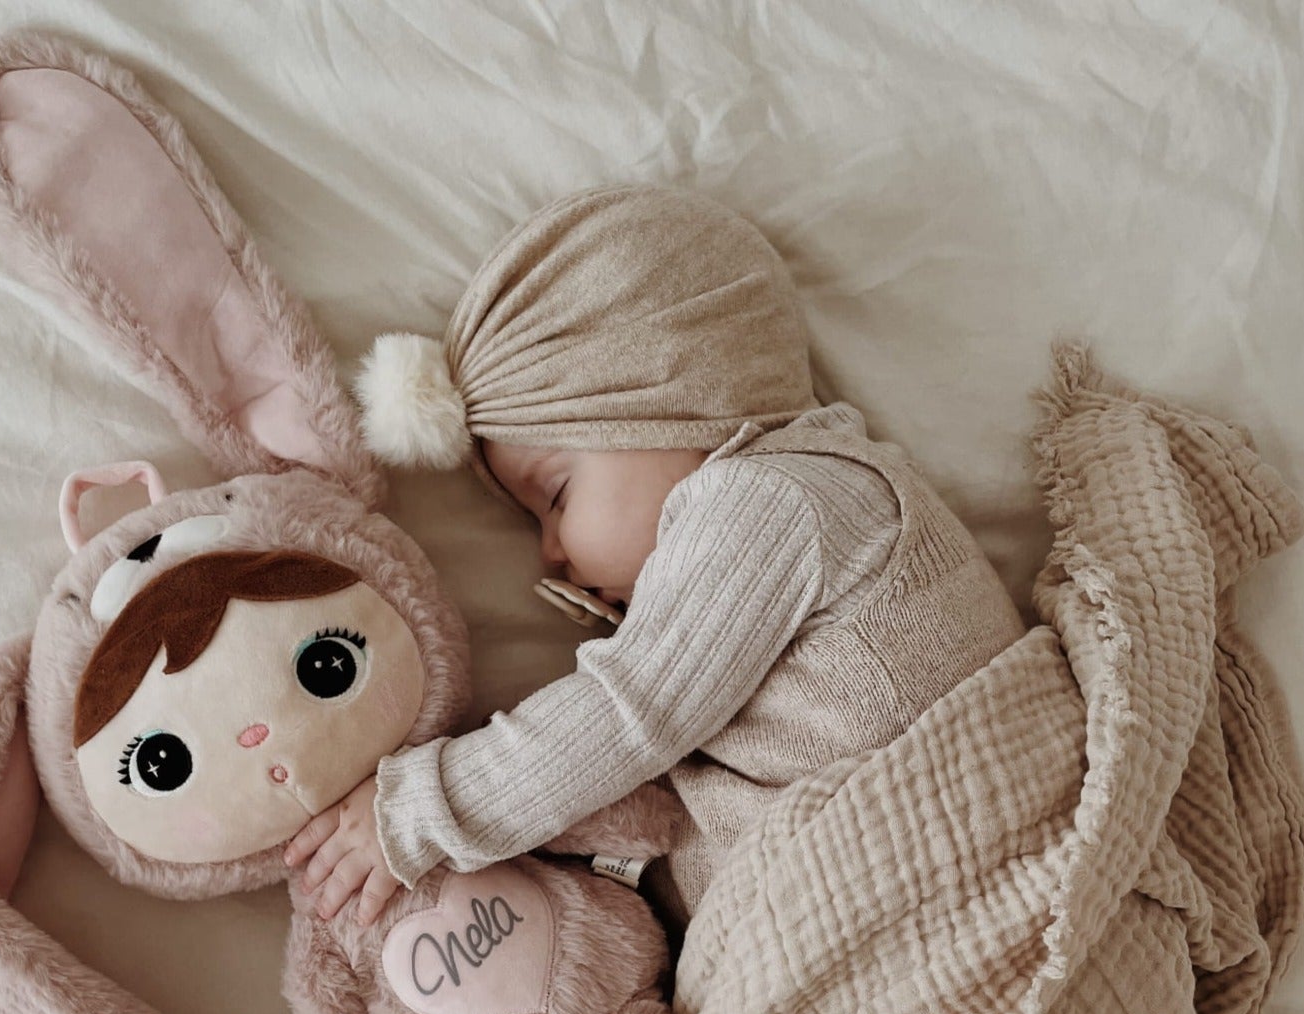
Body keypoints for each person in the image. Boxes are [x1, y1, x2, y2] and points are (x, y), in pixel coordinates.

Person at [285, 184, 1025, 926]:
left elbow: (628, 710)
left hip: (936, 881)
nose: (549, 553)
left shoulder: (772, 498)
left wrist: (423, 809)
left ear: (664, 397)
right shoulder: (772, 514)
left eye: (556, 496)